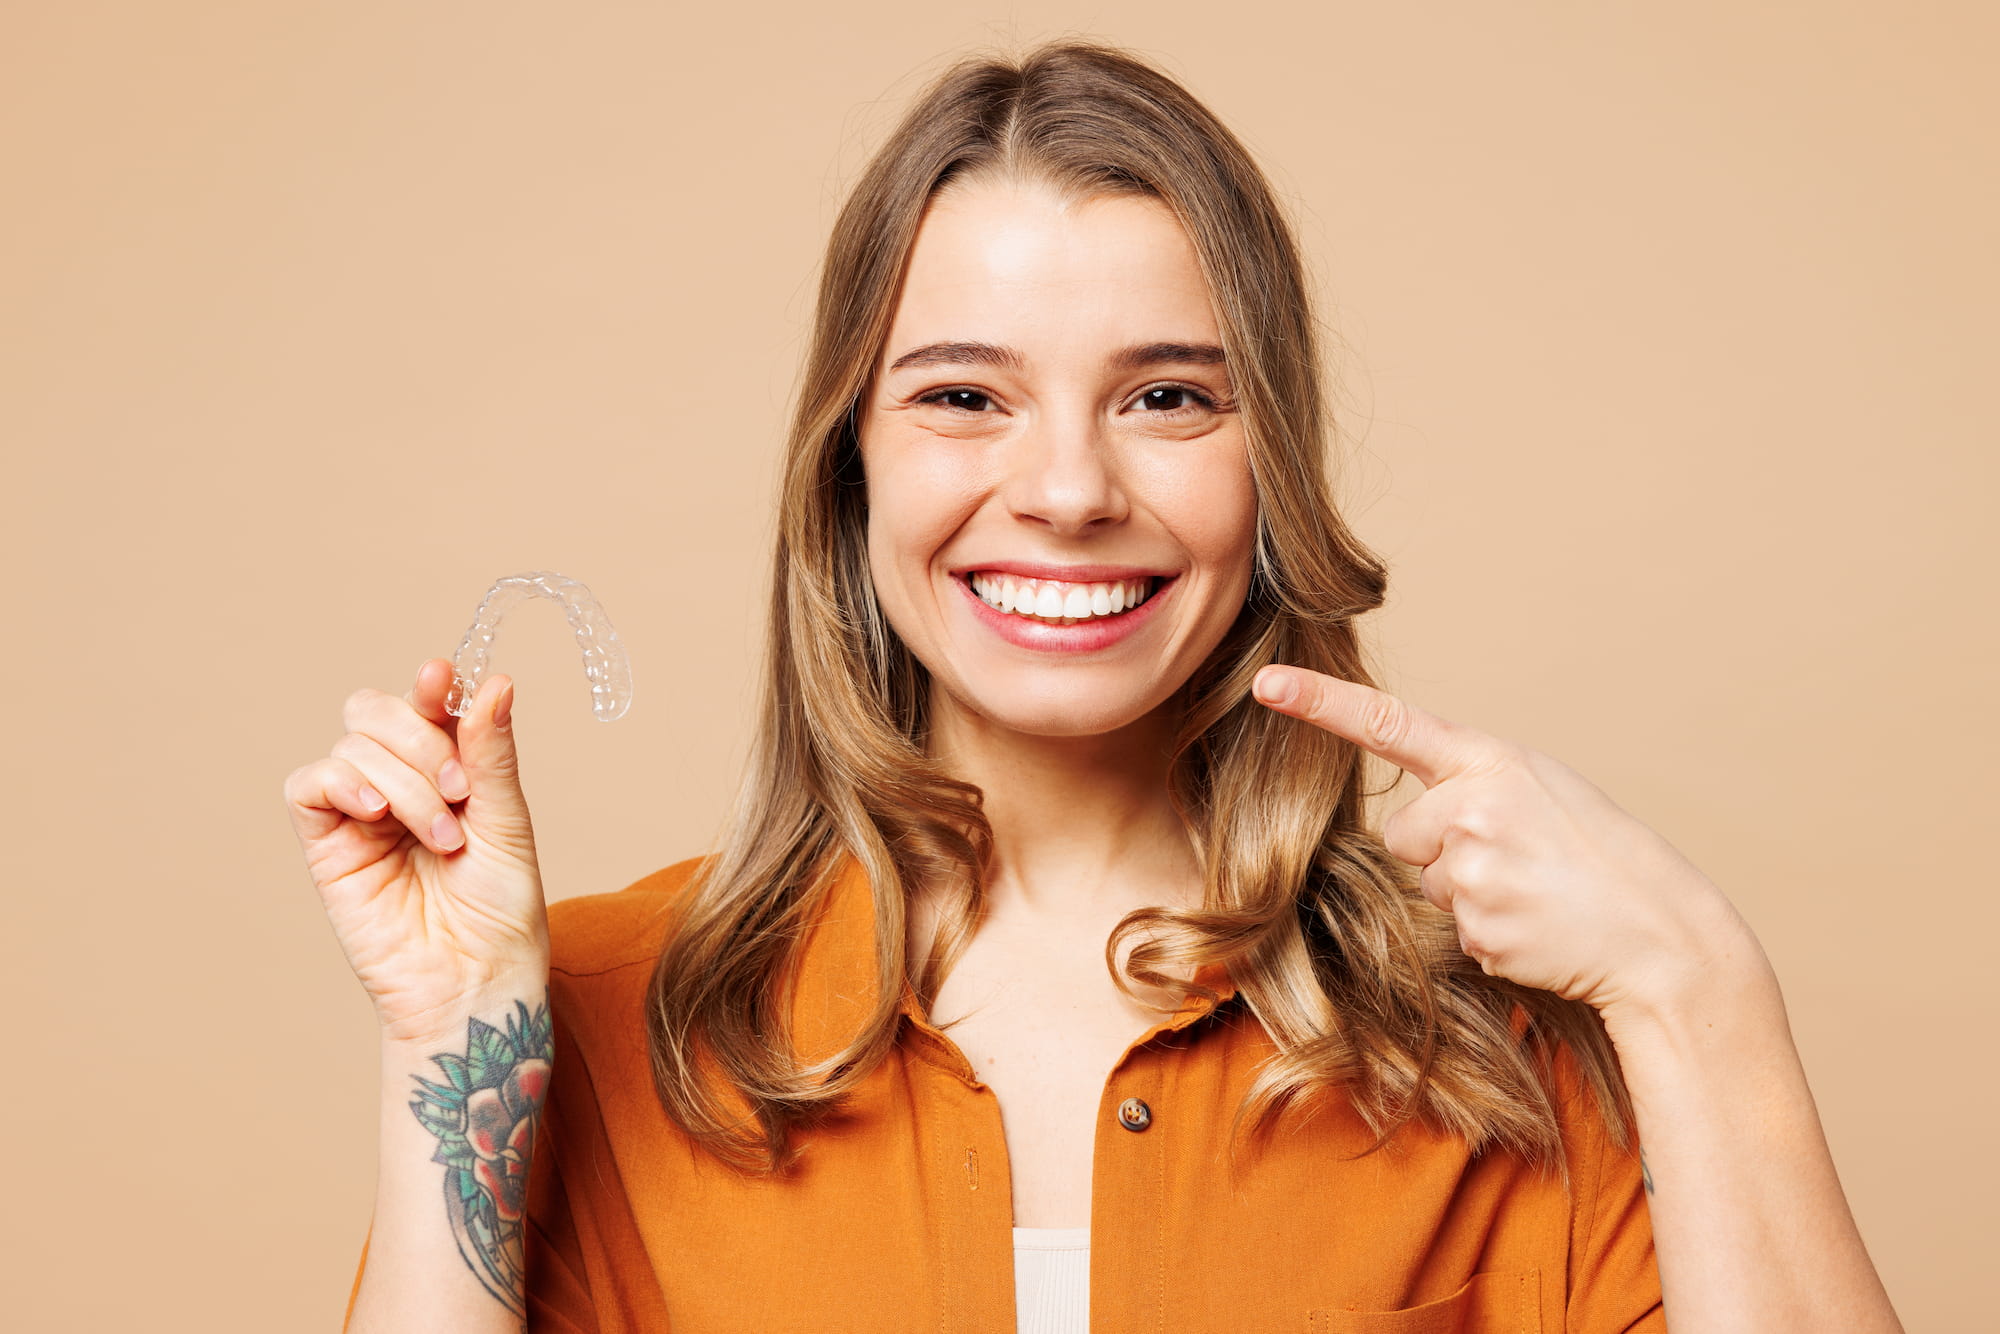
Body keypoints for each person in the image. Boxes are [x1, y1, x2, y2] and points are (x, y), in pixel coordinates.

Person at [287, 38, 1904, 1334]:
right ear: (850, 473)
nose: (1067, 488)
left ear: (1270, 461)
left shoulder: (1515, 1051)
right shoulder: (593, 1023)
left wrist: (1703, 987)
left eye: (1169, 396)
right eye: (966, 394)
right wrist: (453, 1049)